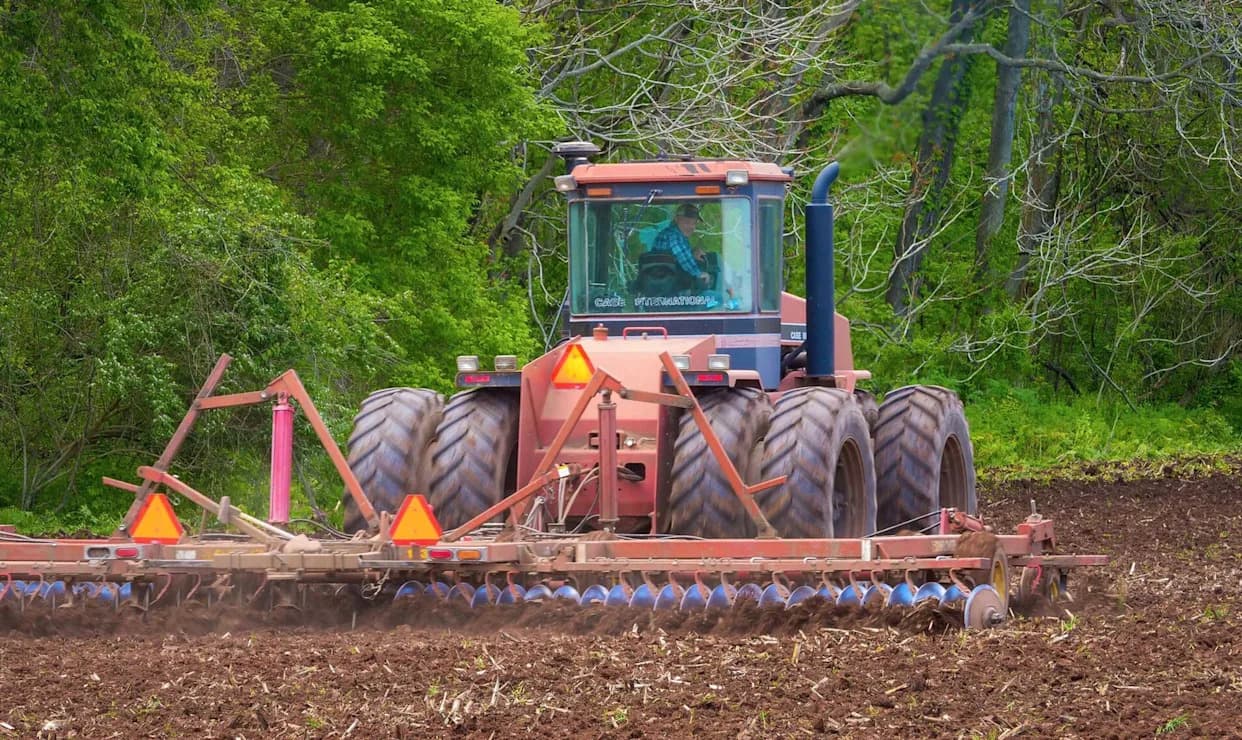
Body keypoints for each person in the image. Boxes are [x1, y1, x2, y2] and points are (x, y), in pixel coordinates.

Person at [650, 203, 711, 287]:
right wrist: (699, 274)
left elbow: (674, 258)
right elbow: (681, 256)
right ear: (676, 219)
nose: (691, 227)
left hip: (668, 286)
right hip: (669, 290)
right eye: (687, 222)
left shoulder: (675, 235)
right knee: (716, 297)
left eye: (694, 223)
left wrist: (692, 255)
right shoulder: (673, 235)